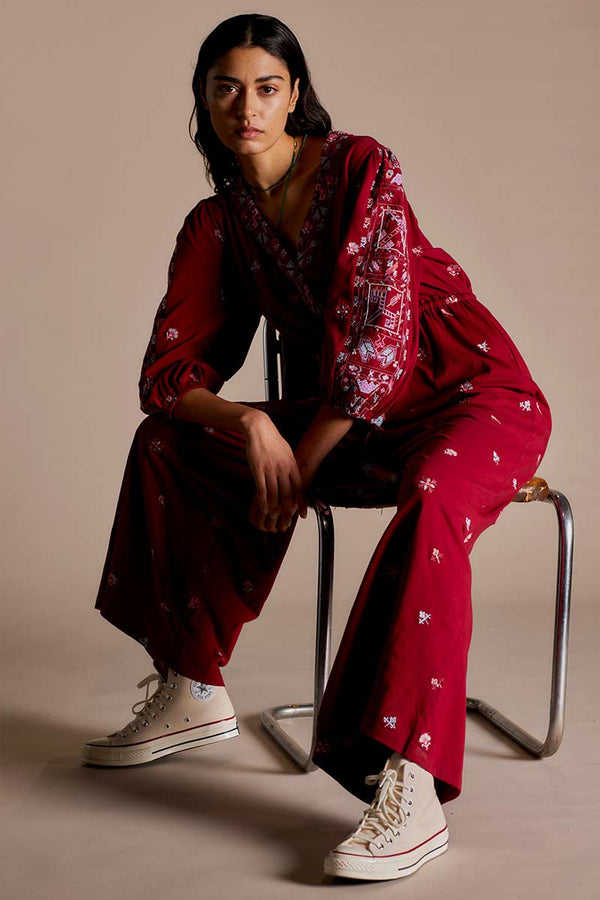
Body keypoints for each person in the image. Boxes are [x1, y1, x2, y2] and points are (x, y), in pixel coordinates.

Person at [81, 13, 552, 882]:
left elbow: (377, 347)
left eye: (266, 88)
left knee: (433, 497)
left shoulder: (361, 166)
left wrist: (295, 469)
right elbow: (168, 375)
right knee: (167, 444)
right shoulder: (219, 222)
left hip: (471, 399)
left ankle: (410, 781)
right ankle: (192, 684)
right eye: (226, 89)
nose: (247, 108)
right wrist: (253, 425)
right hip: (355, 424)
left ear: (294, 94)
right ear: (203, 100)